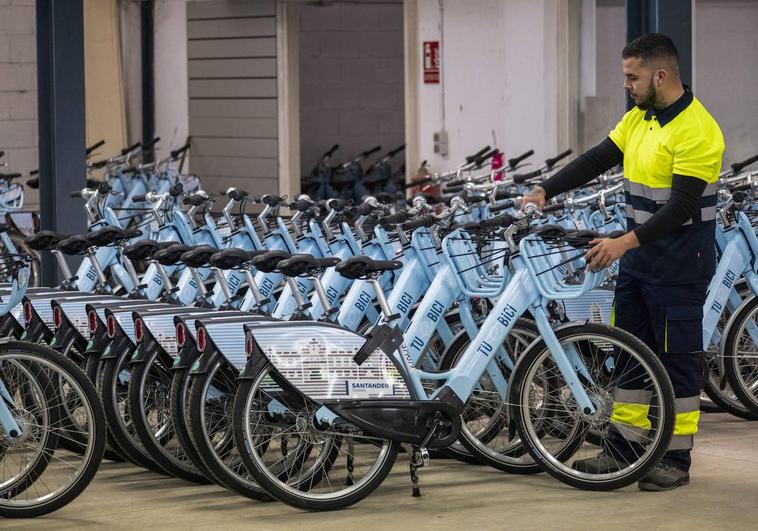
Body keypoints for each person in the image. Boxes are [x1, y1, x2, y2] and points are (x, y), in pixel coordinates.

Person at [522, 33, 724, 491]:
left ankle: (675, 457)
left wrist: (624, 242)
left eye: (632, 77)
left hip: (679, 267)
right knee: (629, 358)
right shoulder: (640, 118)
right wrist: (545, 190)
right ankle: (626, 447)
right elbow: (599, 158)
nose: (627, 85)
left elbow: (682, 208)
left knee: (676, 362)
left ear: (660, 75)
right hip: (640, 264)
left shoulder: (697, 129)